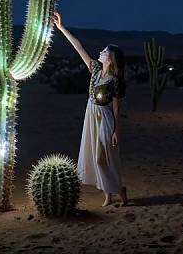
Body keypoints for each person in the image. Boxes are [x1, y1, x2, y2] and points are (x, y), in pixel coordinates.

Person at [53, 12, 128, 207]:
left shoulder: (115, 81)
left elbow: (117, 107)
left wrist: (115, 130)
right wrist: (62, 28)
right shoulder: (94, 69)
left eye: (104, 52)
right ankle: (108, 194)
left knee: (103, 156)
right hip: (91, 114)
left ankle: (118, 188)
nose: (100, 53)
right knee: (95, 157)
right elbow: (78, 47)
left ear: (110, 60)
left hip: (104, 117)